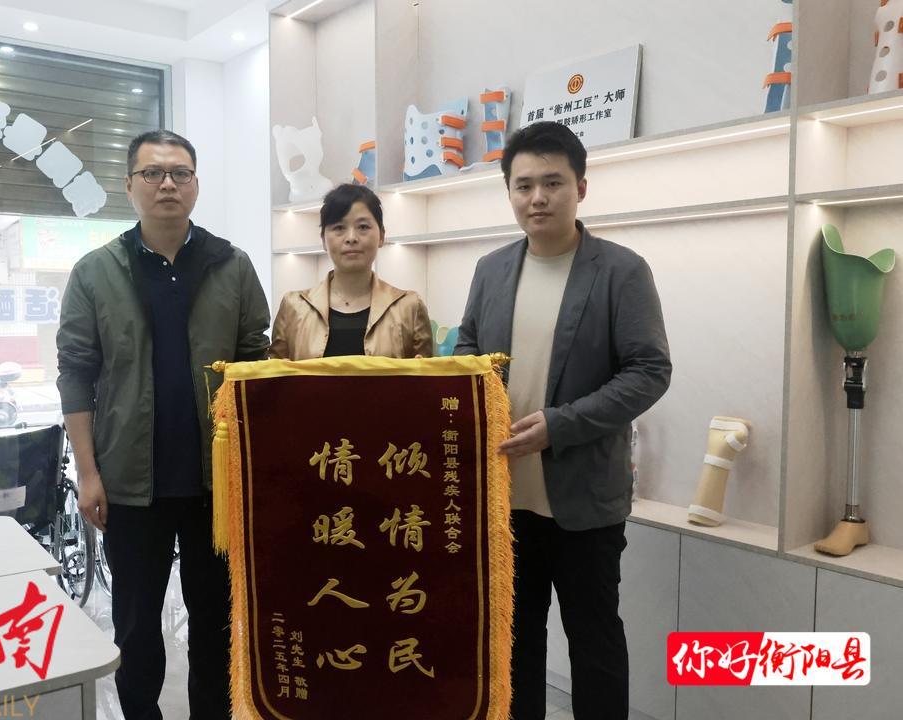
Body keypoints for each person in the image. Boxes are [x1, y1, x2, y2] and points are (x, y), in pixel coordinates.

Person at [455, 121, 671, 718]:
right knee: (515, 642)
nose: (538, 198)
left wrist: (560, 424)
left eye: (553, 183)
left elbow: (649, 371)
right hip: (506, 496)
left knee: (593, 640)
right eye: (523, 185)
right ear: (508, 192)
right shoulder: (491, 269)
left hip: (585, 498)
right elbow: (467, 351)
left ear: (581, 187)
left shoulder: (621, 270)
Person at [56, 129, 270, 720]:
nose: (167, 184)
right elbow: (75, 374)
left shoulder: (232, 265)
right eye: (152, 173)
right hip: (129, 483)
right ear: (130, 186)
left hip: (215, 484)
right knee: (135, 624)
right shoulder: (96, 271)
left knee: (217, 621)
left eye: (180, 173)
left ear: (196, 184)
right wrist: (88, 474)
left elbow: (256, 365)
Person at [270, 183, 433, 359]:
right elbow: (274, 373)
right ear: (323, 240)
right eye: (339, 228)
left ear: (382, 235)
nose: (351, 238)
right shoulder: (294, 307)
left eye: (363, 227)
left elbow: (428, 374)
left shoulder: (409, 307)